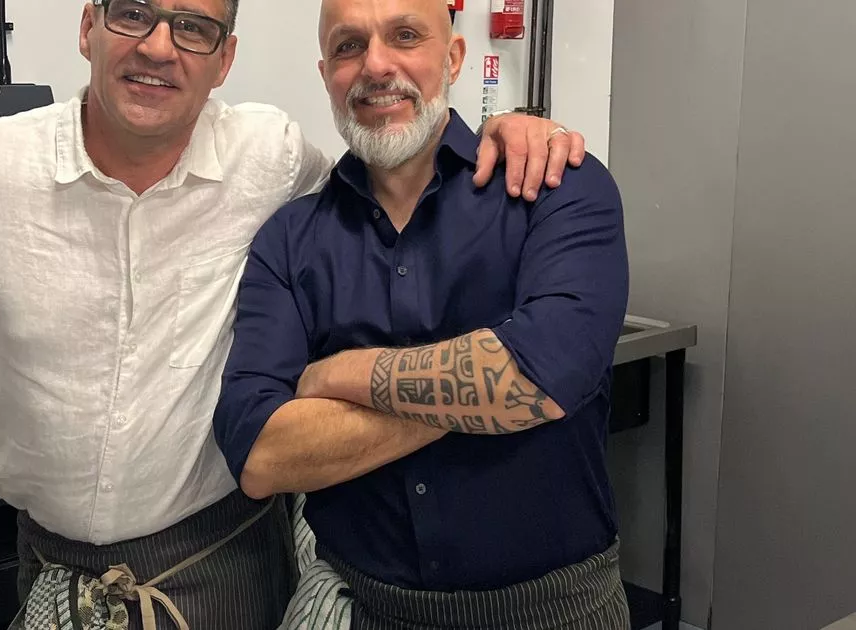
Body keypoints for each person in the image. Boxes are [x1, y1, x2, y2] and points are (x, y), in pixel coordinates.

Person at [0, 0, 585, 628]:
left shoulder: (270, 159)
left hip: (226, 567)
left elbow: (392, 161)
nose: (159, 46)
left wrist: (503, 128)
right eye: (133, 13)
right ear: (88, 27)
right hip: (51, 570)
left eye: (194, 27)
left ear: (224, 59)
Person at [212, 0, 631, 628]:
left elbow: (543, 376)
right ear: (325, 72)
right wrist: (485, 391)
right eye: (349, 46)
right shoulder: (289, 240)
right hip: (362, 608)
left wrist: (336, 375)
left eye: (405, 36)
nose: (376, 65)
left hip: (556, 610)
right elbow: (261, 455)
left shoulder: (557, 186)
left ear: (454, 58)